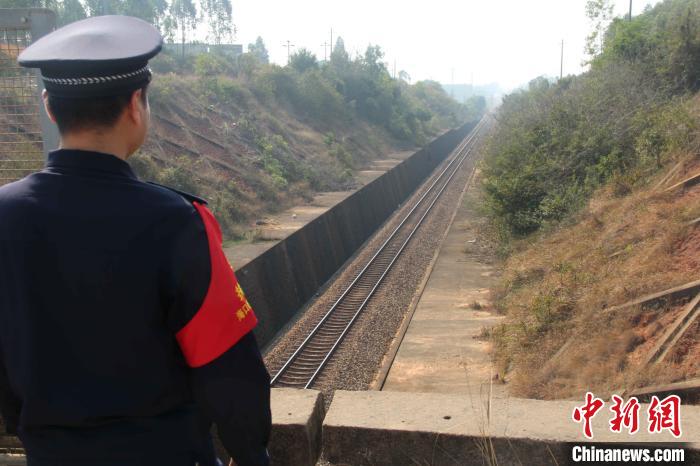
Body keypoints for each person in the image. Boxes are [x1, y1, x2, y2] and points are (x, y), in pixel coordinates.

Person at [0, 15, 271, 466]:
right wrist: (252, 454)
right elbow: (230, 372)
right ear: (135, 105)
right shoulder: (177, 223)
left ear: (50, 106)